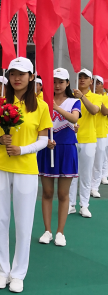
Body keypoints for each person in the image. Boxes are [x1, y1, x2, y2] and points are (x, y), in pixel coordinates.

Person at [0, 57, 52, 293]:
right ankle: (2, 271)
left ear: (31, 77)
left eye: (22, 74)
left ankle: (18, 274)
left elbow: (44, 140)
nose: (16, 78)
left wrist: (22, 150)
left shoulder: (41, 106)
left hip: (26, 168)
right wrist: (0, 140)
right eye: (13, 74)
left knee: (24, 223)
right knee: (0, 221)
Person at [37, 69, 80, 247]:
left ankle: (60, 232)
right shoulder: (41, 101)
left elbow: (74, 118)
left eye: (61, 82)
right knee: (47, 192)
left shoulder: (74, 101)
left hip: (66, 149)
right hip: (47, 148)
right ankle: (47, 230)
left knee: (63, 194)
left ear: (67, 83)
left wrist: (56, 107)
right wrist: (44, 141)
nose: (57, 85)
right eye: (54, 81)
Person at [69, 68, 101, 217]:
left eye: (85, 77)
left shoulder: (95, 97)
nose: (82, 79)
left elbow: (94, 110)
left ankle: (84, 205)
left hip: (88, 139)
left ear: (90, 81)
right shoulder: (70, 97)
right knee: (72, 174)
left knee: (86, 174)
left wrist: (81, 97)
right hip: (72, 139)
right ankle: (71, 204)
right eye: (80, 77)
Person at [90, 75, 108, 198]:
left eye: (99, 83)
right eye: (94, 82)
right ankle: (87, 187)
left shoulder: (105, 97)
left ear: (102, 86)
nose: (96, 85)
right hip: (88, 133)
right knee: (88, 163)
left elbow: (105, 112)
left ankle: (95, 187)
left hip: (101, 134)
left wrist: (98, 100)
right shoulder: (87, 97)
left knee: (98, 161)